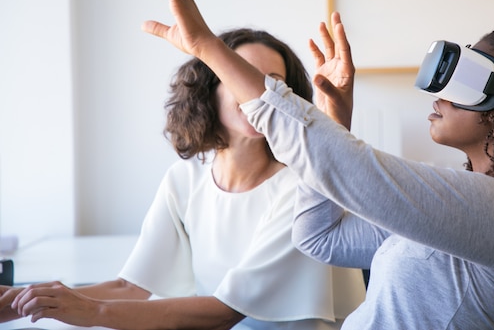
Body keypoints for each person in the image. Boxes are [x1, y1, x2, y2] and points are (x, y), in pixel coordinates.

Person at [21, 0, 494, 329]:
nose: (438, 90)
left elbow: (345, 167)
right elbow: (321, 236)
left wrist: (208, 46)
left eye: (467, 76)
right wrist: (334, 115)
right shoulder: (466, 205)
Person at [0, 27, 366, 330]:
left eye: (274, 82)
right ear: (210, 90)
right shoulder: (184, 180)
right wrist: (22, 302)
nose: (260, 93)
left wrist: (92, 312)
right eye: (242, 76)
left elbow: (225, 312)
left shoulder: (300, 186)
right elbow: (132, 286)